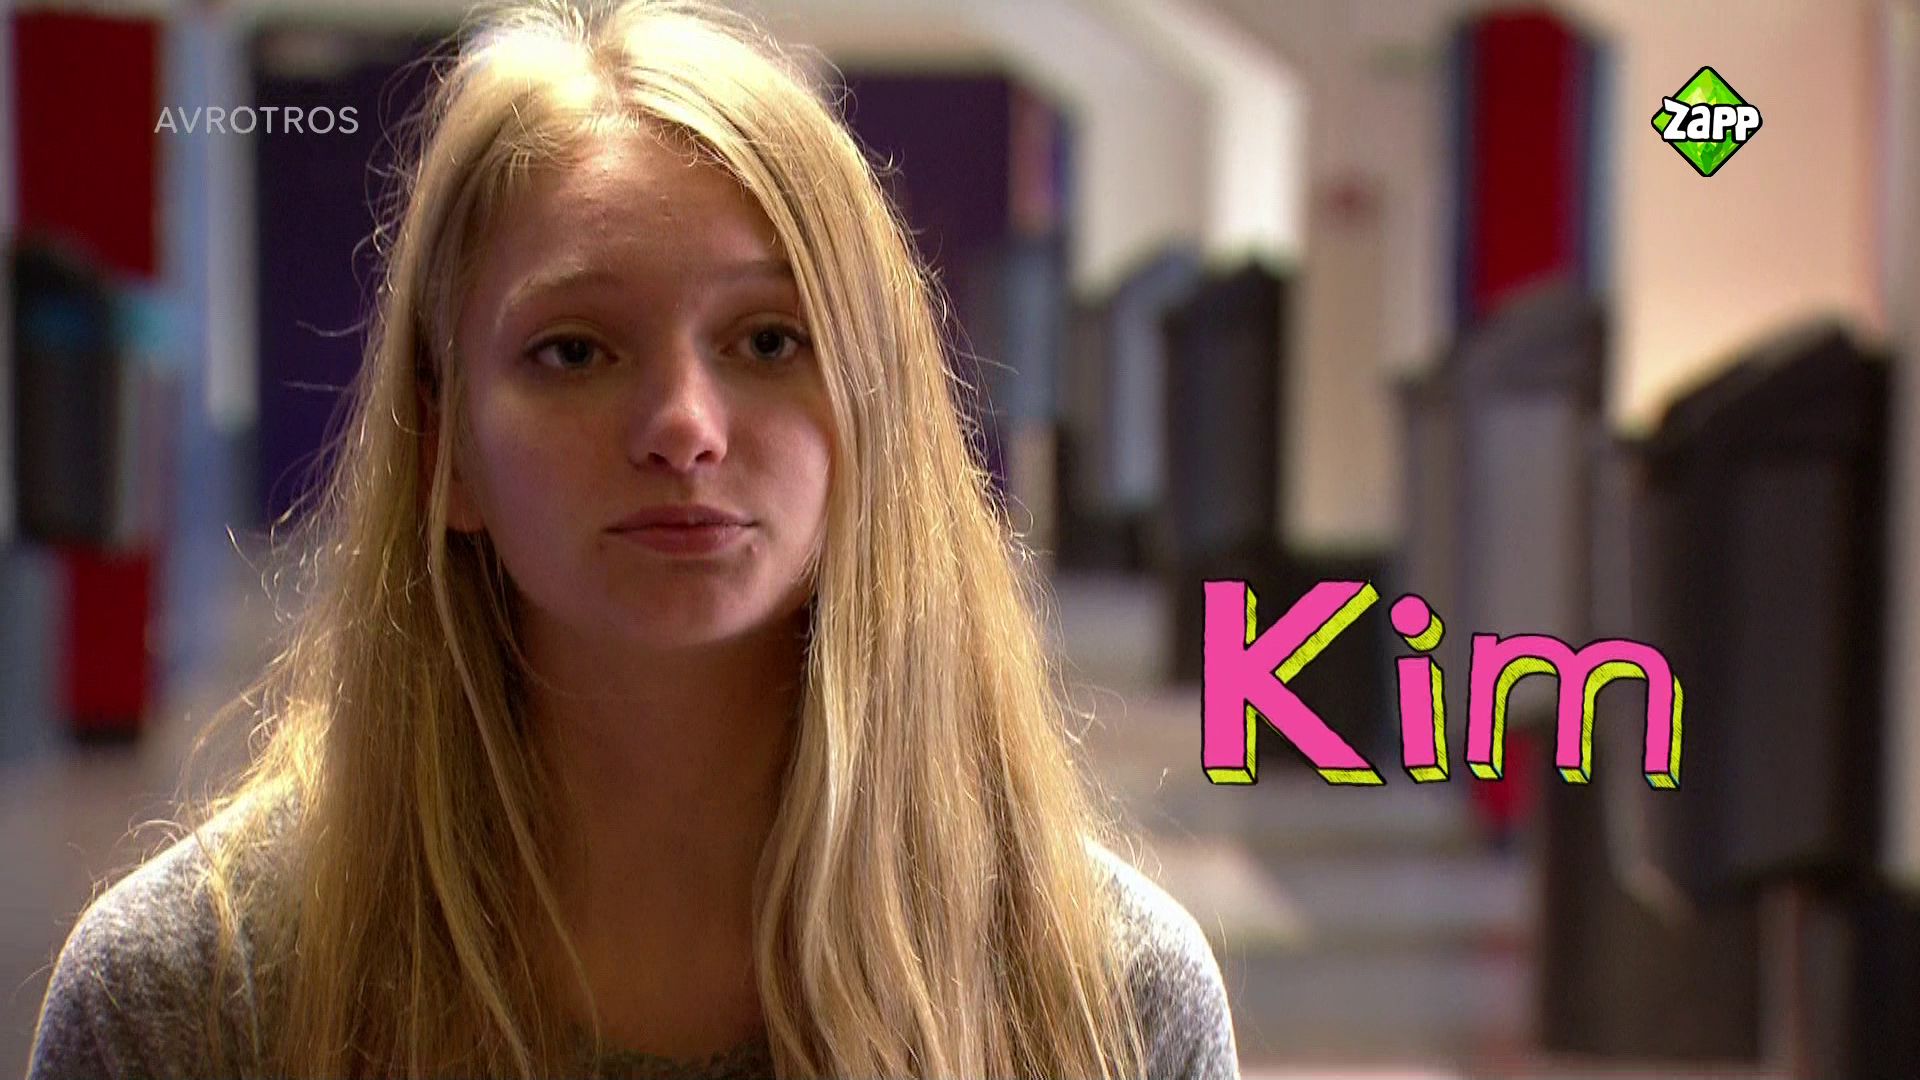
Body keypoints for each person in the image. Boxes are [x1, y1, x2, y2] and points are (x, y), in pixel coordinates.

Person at [27, 1, 1238, 1076]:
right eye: (574, 351)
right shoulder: (193, 998)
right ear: (447, 455)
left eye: (769, 340)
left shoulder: (1103, 994)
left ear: (876, 422)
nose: (682, 427)